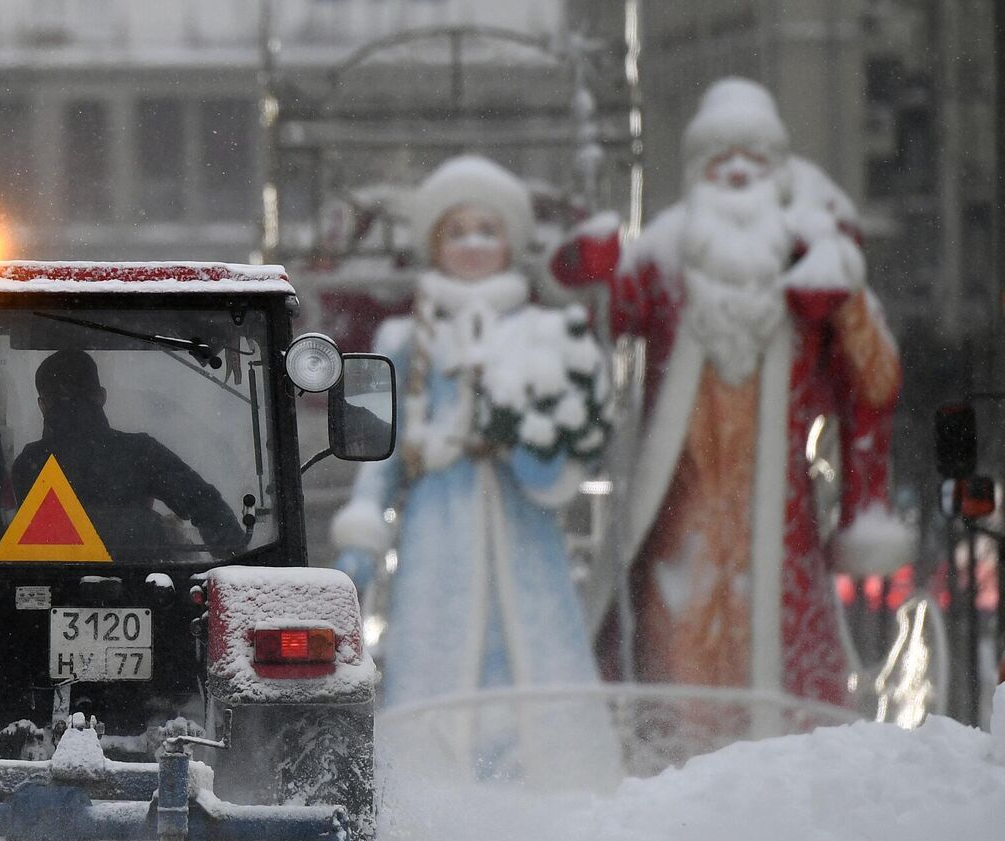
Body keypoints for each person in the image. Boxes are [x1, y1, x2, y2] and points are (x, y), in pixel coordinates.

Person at [551, 79, 906, 739]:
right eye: (721, 160)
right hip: (678, 517)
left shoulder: (808, 260)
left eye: (754, 159)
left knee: (785, 665)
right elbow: (608, 307)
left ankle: (787, 779)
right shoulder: (664, 256)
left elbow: (877, 379)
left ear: (779, 172)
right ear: (698, 173)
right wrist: (585, 262)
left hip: (781, 521)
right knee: (671, 664)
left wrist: (848, 294)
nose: (738, 171)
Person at [333, 155, 619, 788]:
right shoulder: (401, 339)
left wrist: (538, 444)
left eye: (487, 230)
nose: (472, 244)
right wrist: (362, 539)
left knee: (534, 648)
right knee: (436, 647)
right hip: (438, 523)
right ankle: (431, 787)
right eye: (457, 231)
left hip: (523, 527)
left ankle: (556, 781)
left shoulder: (545, 333)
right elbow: (377, 453)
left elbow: (568, 446)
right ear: (435, 244)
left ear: (510, 243)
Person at [11, 349, 244, 558]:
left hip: (48, 589)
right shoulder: (141, 452)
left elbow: (45, 537)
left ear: (42, 405)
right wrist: (235, 558)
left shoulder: (29, 463)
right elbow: (203, 502)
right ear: (101, 397)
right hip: (147, 586)